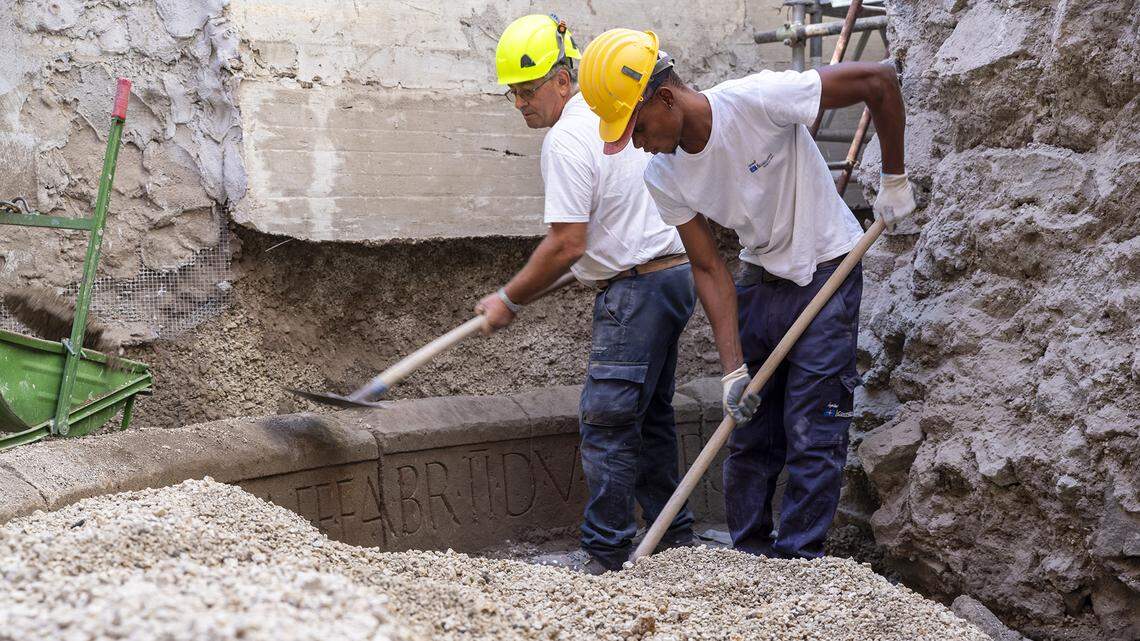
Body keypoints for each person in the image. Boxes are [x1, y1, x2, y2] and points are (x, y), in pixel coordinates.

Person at [578, 29, 917, 559]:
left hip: (827, 266)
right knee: (750, 431)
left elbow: (879, 79)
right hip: (761, 278)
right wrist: (733, 368)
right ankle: (751, 561)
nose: (636, 143)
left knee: (813, 429)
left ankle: (800, 564)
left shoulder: (757, 100)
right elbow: (709, 267)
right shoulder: (663, 176)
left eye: (637, 127)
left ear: (664, 98)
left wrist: (894, 178)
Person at [476, 15, 698, 573]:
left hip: (638, 288)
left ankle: (604, 553)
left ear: (561, 78)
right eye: (512, 93)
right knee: (649, 419)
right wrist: (587, 265)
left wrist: (509, 297)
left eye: (528, 90)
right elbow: (598, 233)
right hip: (671, 275)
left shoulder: (566, 141)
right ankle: (676, 541)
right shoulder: (610, 114)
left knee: (607, 420)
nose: (521, 103)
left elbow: (567, 243)